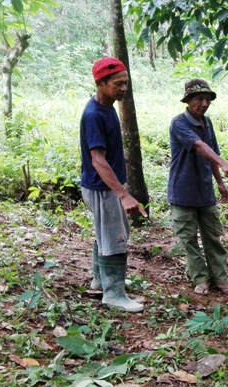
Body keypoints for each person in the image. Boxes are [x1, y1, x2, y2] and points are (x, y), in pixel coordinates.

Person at [81, 57, 147, 313]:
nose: (123, 89)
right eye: (118, 84)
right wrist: (123, 194)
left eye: (126, 83)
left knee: (105, 234)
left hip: (105, 186)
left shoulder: (107, 107)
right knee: (114, 238)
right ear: (101, 83)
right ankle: (114, 293)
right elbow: (98, 160)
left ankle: (101, 279)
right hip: (102, 188)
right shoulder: (94, 115)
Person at [168, 79, 228, 296]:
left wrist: (219, 182)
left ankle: (221, 279)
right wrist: (224, 163)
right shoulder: (179, 123)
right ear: (189, 100)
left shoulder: (207, 123)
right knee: (189, 239)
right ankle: (201, 278)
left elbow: (211, 152)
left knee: (212, 237)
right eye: (199, 98)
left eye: (207, 99)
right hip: (182, 192)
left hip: (204, 192)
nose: (204, 103)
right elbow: (199, 146)